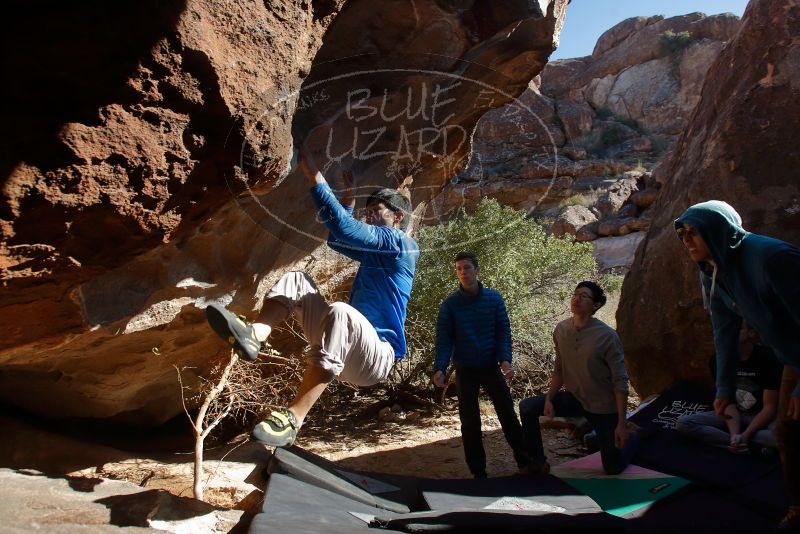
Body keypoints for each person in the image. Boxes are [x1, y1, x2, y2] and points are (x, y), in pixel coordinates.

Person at [205, 144, 419, 448]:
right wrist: (348, 200)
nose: (369, 218)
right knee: (297, 280)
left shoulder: (401, 244)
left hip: (377, 358)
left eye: (375, 213)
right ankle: (256, 334)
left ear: (397, 217)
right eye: (366, 212)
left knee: (342, 312)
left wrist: (313, 176)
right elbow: (337, 239)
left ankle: (293, 418)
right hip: (346, 350)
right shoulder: (378, 250)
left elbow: (345, 230)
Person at [674, 200, 800, 529]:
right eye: (682, 234)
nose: (686, 240)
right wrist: (725, 387)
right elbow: (724, 331)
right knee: (788, 435)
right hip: (792, 360)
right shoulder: (712, 270)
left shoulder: (772, 259)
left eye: (693, 232)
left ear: (718, 231)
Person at [519, 281, 640, 475]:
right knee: (527, 407)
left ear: (595, 305)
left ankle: (633, 436)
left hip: (603, 407)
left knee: (613, 468)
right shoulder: (561, 330)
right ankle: (538, 462)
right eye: (575, 294)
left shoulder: (607, 336)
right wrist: (550, 398)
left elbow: (620, 381)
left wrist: (621, 423)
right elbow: (559, 369)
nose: (577, 298)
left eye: (584, 296)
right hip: (576, 399)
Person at [433, 252, 532, 478]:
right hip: (465, 369)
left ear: (477, 270)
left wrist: (505, 360)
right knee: (469, 422)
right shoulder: (450, 305)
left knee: (507, 413)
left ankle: (525, 461)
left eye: (467, 267)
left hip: (489, 366)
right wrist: (439, 368)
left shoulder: (494, 299)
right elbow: (444, 339)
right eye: (458, 269)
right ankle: (478, 472)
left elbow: (503, 333)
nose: (463, 272)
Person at [676, 324, 781, 454]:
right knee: (684, 423)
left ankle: (741, 443)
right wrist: (734, 435)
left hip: (762, 417)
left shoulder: (768, 358)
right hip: (734, 415)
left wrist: (746, 434)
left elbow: (770, 408)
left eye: (736, 327)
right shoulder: (718, 360)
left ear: (751, 333)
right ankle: (743, 445)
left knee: (783, 436)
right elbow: (727, 403)